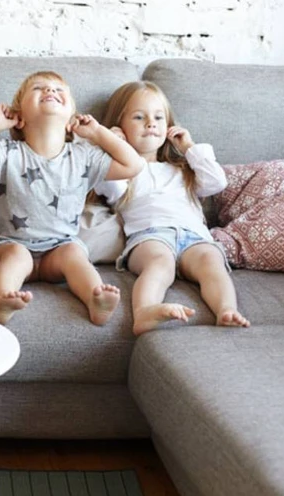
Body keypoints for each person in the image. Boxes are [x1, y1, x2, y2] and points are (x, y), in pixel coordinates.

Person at [0, 71, 143, 325]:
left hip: (58, 249)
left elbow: (134, 165)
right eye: (38, 88)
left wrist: (98, 133)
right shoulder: (8, 153)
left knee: (74, 253)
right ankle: (2, 299)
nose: (50, 91)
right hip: (8, 245)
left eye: (58, 89)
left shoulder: (84, 156)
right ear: (19, 118)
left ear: (71, 119)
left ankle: (94, 299)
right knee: (17, 256)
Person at [94, 81, 250, 335]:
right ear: (119, 125)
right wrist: (112, 146)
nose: (150, 123)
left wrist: (189, 147)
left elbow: (217, 182)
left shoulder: (182, 169)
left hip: (195, 237)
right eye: (139, 117)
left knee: (211, 262)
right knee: (160, 264)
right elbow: (107, 184)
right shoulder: (124, 172)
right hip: (150, 236)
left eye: (158, 117)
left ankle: (226, 310)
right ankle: (144, 312)